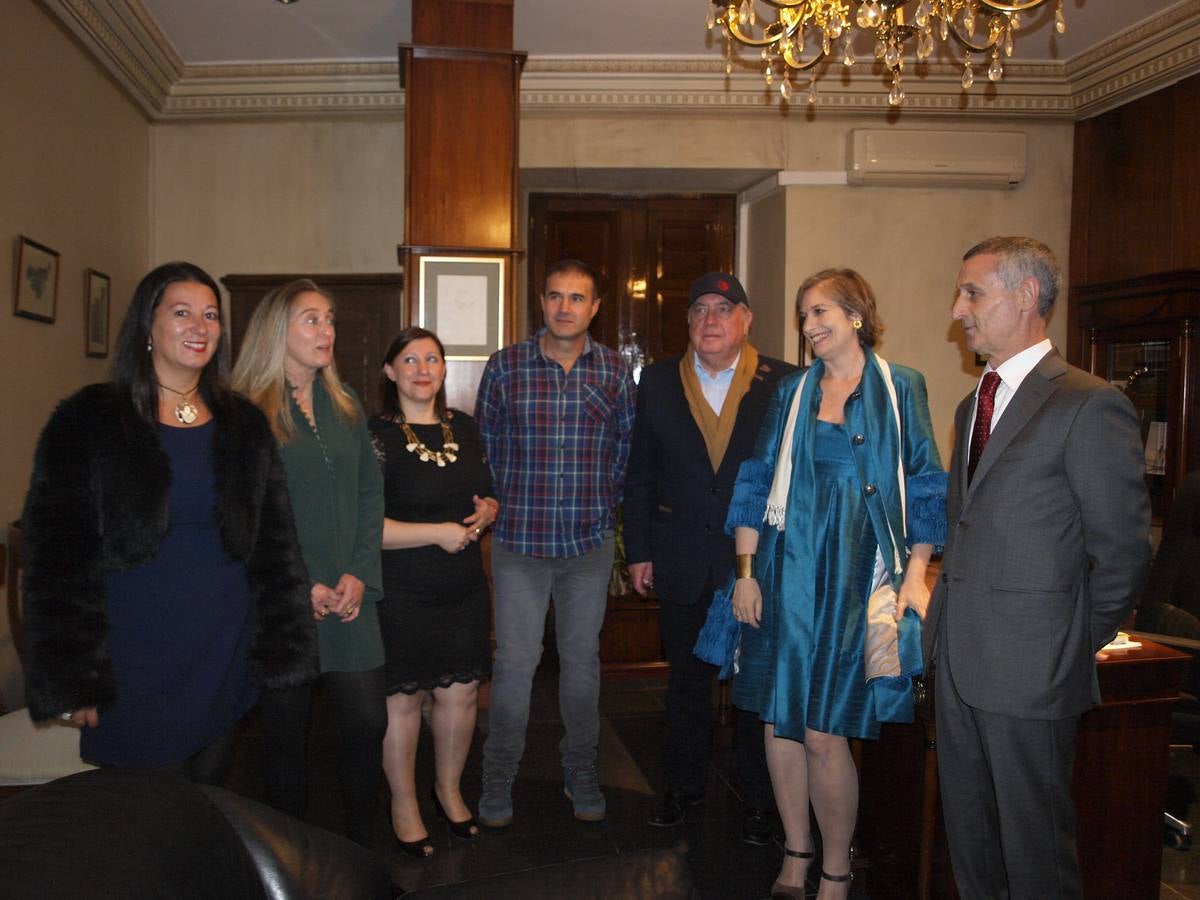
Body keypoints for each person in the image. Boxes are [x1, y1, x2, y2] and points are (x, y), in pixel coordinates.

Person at [21, 262, 316, 783]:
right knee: (143, 826)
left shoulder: (244, 425)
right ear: (147, 327)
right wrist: (71, 679)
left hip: (224, 652)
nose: (199, 328)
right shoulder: (87, 421)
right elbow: (56, 560)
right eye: (182, 313)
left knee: (201, 813)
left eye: (210, 315)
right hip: (134, 660)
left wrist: (281, 651)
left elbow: (276, 548)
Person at [925, 237, 1150, 899]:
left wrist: (1065, 647)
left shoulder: (1087, 403)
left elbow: (1122, 553)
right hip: (959, 664)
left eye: (972, 293)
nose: (957, 309)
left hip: (1032, 674)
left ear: (1026, 295)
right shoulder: (974, 406)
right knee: (971, 844)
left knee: (1035, 859)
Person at [727, 269, 947, 899]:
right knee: (778, 721)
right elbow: (756, 478)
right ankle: (795, 853)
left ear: (856, 314)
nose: (809, 326)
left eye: (820, 311)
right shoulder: (792, 391)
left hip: (858, 581)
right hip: (784, 573)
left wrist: (915, 576)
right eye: (803, 315)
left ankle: (836, 868)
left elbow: (927, 482)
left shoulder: (901, 386)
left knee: (824, 730)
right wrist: (745, 573)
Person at [623, 271, 791, 843]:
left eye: (724, 309)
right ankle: (684, 787)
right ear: (689, 323)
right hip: (681, 556)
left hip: (757, 564)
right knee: (686, 685)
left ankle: (760, 801)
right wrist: (639, 551)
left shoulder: (784, 382)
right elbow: (640, 471)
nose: (711, 320)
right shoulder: (659, 379)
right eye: (699, 310)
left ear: (746, 320)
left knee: (753, 689)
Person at [474, 258, 636, 827]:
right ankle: (498, 778)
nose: (565, 307)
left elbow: (623, 456)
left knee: (582, 665)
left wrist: (597, 508)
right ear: (541, 303)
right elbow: (486, 451)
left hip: (587, 546)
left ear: (595, 308)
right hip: (519, 543)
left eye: (578, 298)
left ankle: (581, 771)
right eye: (555, 297)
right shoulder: (506, 368)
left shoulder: (614, 374)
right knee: (515, 664)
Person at [232, 278, 387, 845]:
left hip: (351, 597)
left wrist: (358, 573)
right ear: (279, 330)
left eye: (329, 320)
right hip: (283, 603)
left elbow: (371, 496)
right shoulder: (245, 414)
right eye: (311, 320)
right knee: (283, 737)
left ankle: (360, 851)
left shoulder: (345, 405)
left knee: (368, 724)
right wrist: (299, 586)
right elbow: (242, 519)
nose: (327, 332)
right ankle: (288, 855)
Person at [368, 327, 499, 858]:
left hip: (462, 586)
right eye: (410, 359)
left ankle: (447, 790)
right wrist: (436, 533)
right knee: (402, 702)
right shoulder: (375, 435)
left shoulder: (463, 427)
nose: (423, 368)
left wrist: (489, 509)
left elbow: (483, 491)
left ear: (444, 369)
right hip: (401, 589)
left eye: (433, 359)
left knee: (459, 694)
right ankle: (404, 804)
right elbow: (364, 526)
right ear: (390, 372)